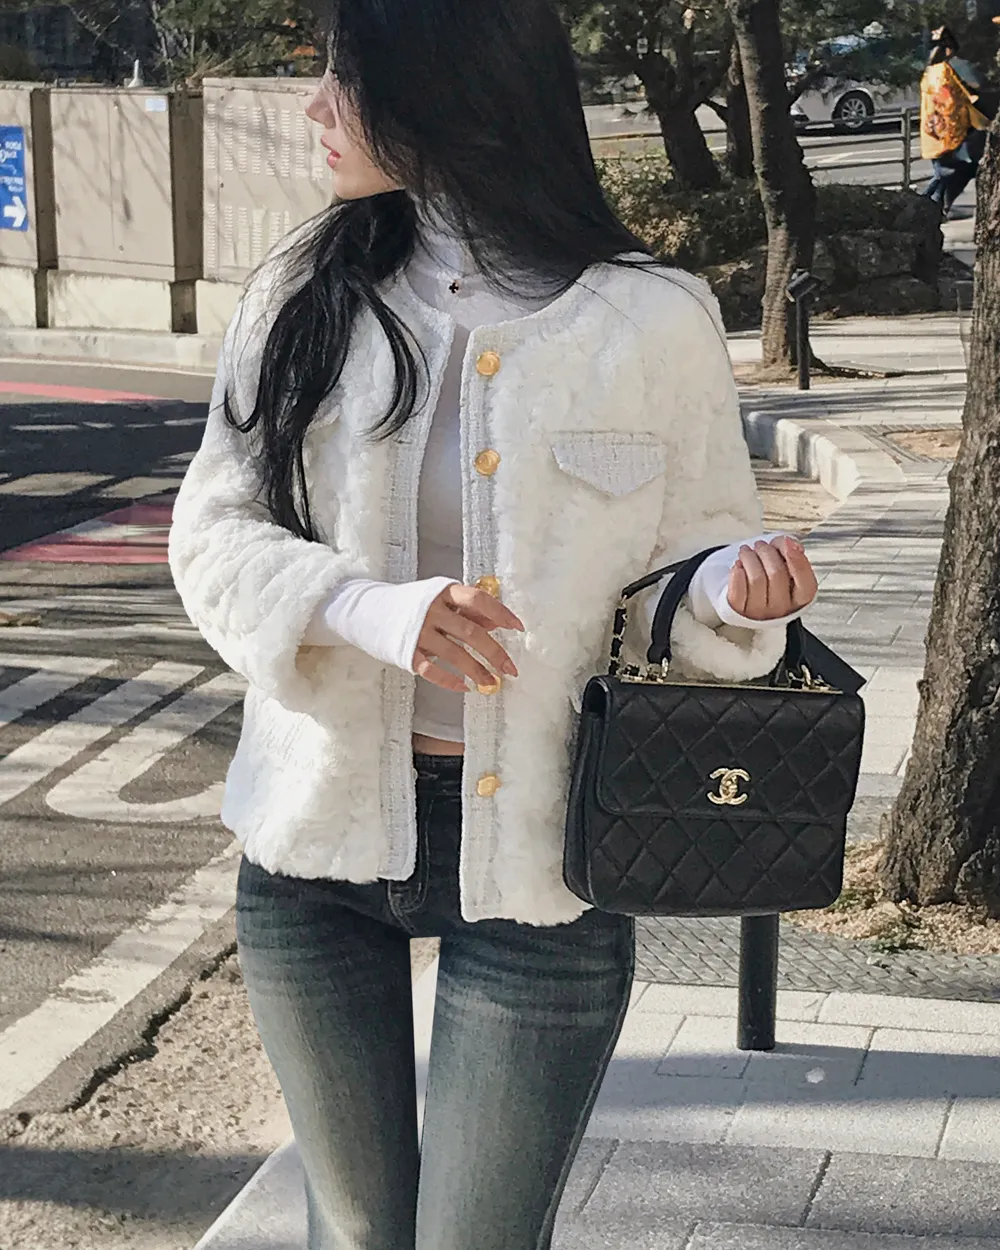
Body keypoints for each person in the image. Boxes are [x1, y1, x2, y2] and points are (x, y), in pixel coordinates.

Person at [168, 2, 820, 1246]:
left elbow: (689, 560)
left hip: (545, 865)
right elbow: (210, 532)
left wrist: (731, 596)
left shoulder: (649, 320)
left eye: (345, 78)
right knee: (356, 1232)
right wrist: (365, 607)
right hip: (313, 845)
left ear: (445, 85)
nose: (314, 106)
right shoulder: (303, 293)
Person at [921, 24, 990, 216]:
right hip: (954, 132)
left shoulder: (929, 72)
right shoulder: (952, 68)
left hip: (934, 131)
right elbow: (974, 88)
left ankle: (933, 208)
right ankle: (924, 206)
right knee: (951, 173)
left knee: (943, 173)